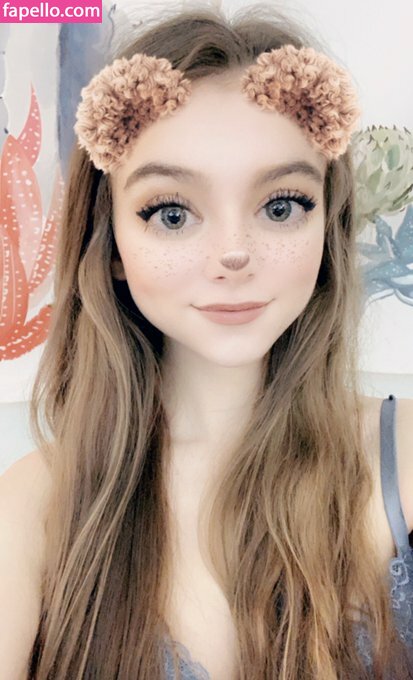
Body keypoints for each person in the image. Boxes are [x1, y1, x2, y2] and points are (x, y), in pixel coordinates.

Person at [3, 4, 412, 679]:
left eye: (280, 206)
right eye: (171, 213)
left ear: (325, 226)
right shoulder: (33, 505)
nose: (232, 253)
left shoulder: (403, 459)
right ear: (111, 245)